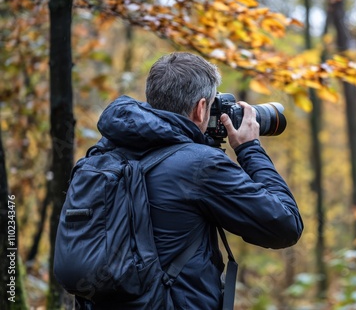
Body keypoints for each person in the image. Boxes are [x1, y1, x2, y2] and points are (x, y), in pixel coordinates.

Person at [93, 52, 303, 309]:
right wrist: (249, 148)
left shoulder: (105, 153)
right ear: (201, 108)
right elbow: (286, 224)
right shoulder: (199, 165)